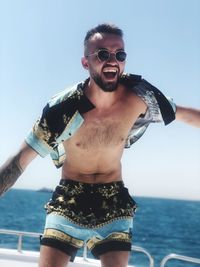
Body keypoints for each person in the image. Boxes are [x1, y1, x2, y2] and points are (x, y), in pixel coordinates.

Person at [0, 23, 200, 267]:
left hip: (113, 201)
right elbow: (20, 160)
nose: (113, 60)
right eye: (103, 54)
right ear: (86, 63)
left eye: (120, 55)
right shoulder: (62, 110)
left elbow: (185, 114)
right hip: (68, 200)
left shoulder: (139, 97)